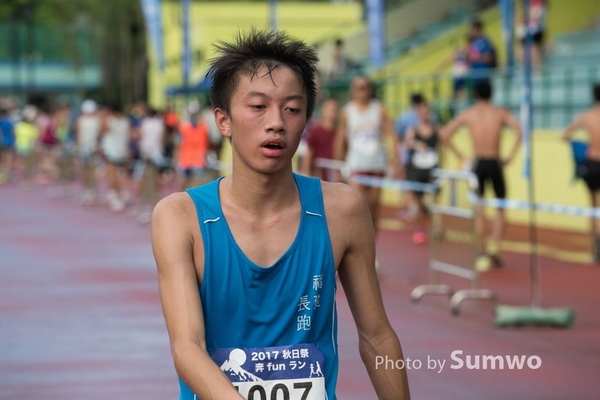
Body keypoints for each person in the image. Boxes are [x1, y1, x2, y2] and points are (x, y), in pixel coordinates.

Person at [152, 30, 410, 400]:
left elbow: (377, 336)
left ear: (305, 118)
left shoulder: (341, 210)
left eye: (292, 108)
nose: (276, 122)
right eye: (257, 107)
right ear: (223, 120)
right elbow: (187, 347)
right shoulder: (180, 217)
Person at [440, 81, 522, 271]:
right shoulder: (499, 112)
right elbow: (519, 130)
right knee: (500, 207)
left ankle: (480, 249)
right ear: (491, 94)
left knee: (479, 208)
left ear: (475, 94)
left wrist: (460, 155)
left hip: (478, 163)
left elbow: (444, 134)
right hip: (495, 162)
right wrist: (510, 156)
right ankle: (495, 246)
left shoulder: (469, 113)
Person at [335, 76, 400, 234]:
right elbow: (340, 139)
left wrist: (394, 160)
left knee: (373, 208)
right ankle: (354, 246)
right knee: (357, 205)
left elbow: (392, 135)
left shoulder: (379, 109)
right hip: (356, 164)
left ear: (370, 89)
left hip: (377, 164)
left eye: (364, 87)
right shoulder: (347, 111)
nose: (361, 91)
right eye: (358, 87)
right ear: (353, 90)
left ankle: (372, 250)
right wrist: (339, 165)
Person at [562, 83, 600, 262]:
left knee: (593, 207)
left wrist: (579, 146)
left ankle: (595, 246)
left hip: (592, 162)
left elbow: (565, 134)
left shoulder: (587, 116)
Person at [404, 100, 439, 244]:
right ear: (418, 113)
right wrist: (416, 144)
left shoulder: (435, 129)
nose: (425, 114)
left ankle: (436, 227)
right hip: (416, 169)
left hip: (431, 169)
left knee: (433, 200)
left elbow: (444, 143)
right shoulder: (413, 129)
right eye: (422, 111)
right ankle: (420, 229)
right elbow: (407, 143)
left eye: (427, 111)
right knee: (418, 201)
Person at [100, 103, 132, 212]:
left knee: (112, 175)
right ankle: (120, 194)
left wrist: (103, 117)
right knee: (121, 175)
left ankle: (115, 197)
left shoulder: (109, 120)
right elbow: (129, 136)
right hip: (121, 151)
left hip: (111, 152)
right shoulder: (125, 121)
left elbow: (101, 131)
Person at [300, 97, 339, 181]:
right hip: (317, 175)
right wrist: (305, 173)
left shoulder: (339, 133)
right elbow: (309, 152)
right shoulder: (315, 131)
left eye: (335, 110)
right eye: (330, 109)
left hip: (332, 177)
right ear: (323, 110)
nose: (332, 113)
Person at [176, 108, 210, 190]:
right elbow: (178, 144)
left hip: (198, 159)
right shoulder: (184, 128)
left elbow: (206, 144)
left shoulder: (203, 128)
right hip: (186, 159)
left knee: (197, 183)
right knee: (184, 182)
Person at [75, 100, 102, 204]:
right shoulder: (94, 120)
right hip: (89, 148)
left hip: (88, 148)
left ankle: (90, 191)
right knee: (89, 170)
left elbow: (79, 135)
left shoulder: (83, 120)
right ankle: (90, 191)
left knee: (88, 170)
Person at [395, 93, 426, 177]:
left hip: (408, 156)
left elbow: (398, 137)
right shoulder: (424, 116)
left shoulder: (403, 117)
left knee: (406, 184)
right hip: (419, 156)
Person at [467, 20, 497, 87]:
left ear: (476, 29)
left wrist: (477, 57)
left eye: (472, 29)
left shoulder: (485, 41)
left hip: (484, 76)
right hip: (476, 77)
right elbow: (470, 57)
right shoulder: (474, 43)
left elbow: (489, 57)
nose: (471, 32)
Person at [0, 107, 15, 184]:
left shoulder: (1, 121)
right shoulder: (10, 121)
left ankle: (3, 172)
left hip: (2, 141)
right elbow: (13, 132)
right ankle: (7, 172)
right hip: (9, 141)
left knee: (3, 157)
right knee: (9, 156)